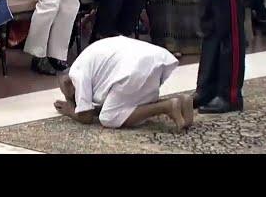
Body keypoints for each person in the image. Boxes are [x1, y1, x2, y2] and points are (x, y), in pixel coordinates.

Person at [54, 36, 192, 130]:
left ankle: (167, 106)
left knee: (109, 118)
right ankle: (181, 101)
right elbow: (94, 106)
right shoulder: (86, 58)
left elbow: (86, 117)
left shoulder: (76, 74)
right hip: (154, 58)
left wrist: (69, 110)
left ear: (68, 84)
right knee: (134, 103)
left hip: (133, 68)